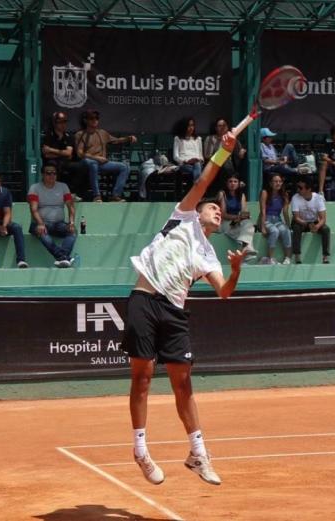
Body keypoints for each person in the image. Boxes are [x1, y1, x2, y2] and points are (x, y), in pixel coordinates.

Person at [123, 130, 244, 487]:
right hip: (145, 298)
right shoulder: (183, 216)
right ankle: (141, 450)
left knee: (183, 383)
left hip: (174, 311)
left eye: (220, 210)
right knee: (142, 377)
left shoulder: (209, 254)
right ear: (199, 209)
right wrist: (222, 153)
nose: (217, 210)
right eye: (212, 206)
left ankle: (198, 453)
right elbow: (206, 177)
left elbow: (223, 292)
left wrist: (236, 272)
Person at [74, 109, 136, 202]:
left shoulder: (102, 133)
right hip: (87, 163)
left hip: (102, 164)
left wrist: (129, 138)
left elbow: (116, 140)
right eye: (91, 118)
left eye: (96, 118)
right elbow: (80, 153)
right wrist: (97, 158)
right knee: (93, 163)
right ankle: (97, 196)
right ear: (85, 120)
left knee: (125, 167)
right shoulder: (80, 134)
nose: (95, 120)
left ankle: (115, 196)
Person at [27, 163, 77, 267]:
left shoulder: (63, 186)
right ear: (42, 175)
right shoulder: (35, 188)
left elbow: (70, 206)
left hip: (59, 224)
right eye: (48, 173)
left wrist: (71, 222)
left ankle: (62, 257)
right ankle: (63, 257)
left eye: (54, 173)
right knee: (42, 232)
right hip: (40, 223)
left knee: (72, 230)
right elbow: (33, 209)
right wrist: (40, 223)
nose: (52, 175)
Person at [41, 111, 89, 200]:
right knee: (52, 166)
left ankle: (71, 192)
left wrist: (51, 150)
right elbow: (46, 155)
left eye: (65, 122)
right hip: (52, 163)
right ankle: (54, 193)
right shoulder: (48, 135)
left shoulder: (69, 136)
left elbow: (68, 153)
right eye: (60, 122)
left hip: (65, 162)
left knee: (83, 165)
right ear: (55, 123)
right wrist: (62, 154)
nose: (63, 124)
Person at [217, 174, 257, 263]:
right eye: (230, 181)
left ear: (239, 183)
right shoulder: (222, 194)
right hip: (226, 223)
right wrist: (237, 217)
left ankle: (244, 247)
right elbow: (223, 214)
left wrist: (243, 216)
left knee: (249, 224)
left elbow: (244, 211)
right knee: (248, 228)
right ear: (227, 183)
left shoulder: (241, 195)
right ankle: (247, 250)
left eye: (235, 181)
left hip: (238, 222)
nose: (233, 184)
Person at [290, 177, 330, 264]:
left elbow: (323, 218)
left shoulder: (318, 198)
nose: (298, 189)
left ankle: (325, 256)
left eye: (301, 188)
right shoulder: (295, 197)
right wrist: (308, 225)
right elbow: (296, 217)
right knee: (296, 228)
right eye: (298, 187)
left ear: (309, 189)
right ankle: (297, 255)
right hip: (300, 222)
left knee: (326, 229)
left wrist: (317, 226)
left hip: (314, 221)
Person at [259, 173, 293, 265]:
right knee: (275, 231)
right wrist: (262, 227)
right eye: (275, 181)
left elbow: (285, 212)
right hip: (266, 219)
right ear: (270, 183)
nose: (278, 183)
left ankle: (288, 258)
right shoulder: (265, 193)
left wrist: (288, 225)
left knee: (286, 231)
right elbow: (263, 211)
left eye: (280, 181)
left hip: (277, 220)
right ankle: (269, 258)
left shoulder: (284, 194)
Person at [203, 117, 246, 183]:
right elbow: (207, 155)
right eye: (220, 126)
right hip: (213, 164)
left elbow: (239, 154)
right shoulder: (210, 138)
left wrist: (242, 152)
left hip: (228, 165)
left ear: (227, 127)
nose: (222, 127)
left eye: (224, 125)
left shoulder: (232, 138)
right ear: (216, 128)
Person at [173, 117, 204, 182]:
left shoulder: (198, 139)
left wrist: (198, 160)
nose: (191, 128)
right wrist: (186, 161)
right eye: (189, 125)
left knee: (197, 164)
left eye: (192, 125)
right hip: (184, 164)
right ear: (184, 127)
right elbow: (175, 157)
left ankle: (196, 184)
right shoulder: (178, 138)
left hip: (197, 163)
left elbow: (201, 156)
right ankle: (197, 185)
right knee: (197, 169)